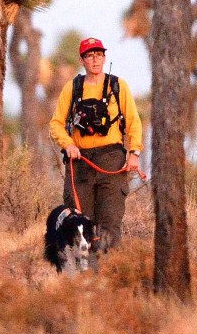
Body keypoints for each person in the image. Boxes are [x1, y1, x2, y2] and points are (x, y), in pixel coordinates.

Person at [47, 36, 142, 251]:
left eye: (99, 55)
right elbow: (56, 123)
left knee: (110, 221)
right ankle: (84, 277)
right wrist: (68, 144)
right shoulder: (72, 88)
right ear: (82, 60)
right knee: (80, 223)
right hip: (80, 161)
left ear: (104, 57)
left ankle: (109, 273)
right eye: (90, 56)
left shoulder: (118, 85)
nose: (95, 60)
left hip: (111, 160)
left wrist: (134, 152)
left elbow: (134, 122)